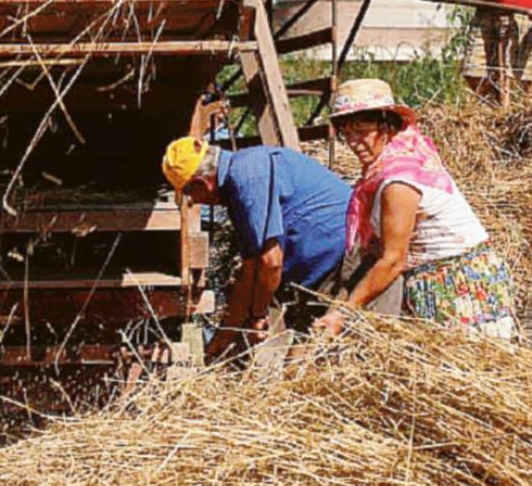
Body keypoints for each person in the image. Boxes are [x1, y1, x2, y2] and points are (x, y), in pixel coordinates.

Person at [313, 79, 513, 337]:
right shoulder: (390, 164)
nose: (353, 142)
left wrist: (345, 311)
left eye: (361, 131)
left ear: (385, 125)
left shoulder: (399, 181)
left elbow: (394, 260)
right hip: (436, 277)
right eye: (347, 134)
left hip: (455, 283)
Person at [162, 137, 386, 359]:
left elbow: (270, 262)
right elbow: (250, 272)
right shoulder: (240, 180)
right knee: (299, 366)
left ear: (202, 183)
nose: (196, 201)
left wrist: (257, 315)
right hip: (319, 272)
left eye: (191, 195)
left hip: (343, 265)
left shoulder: (248, 175)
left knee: (311, 368)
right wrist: (224, 336)